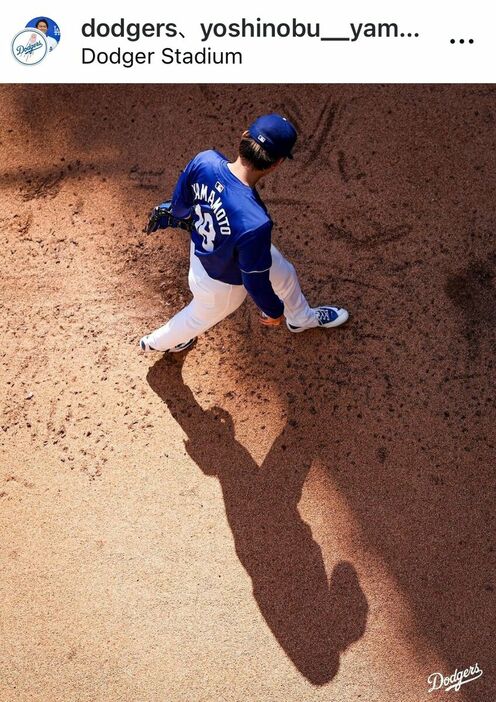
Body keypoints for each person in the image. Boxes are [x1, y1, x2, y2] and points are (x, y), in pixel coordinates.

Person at [140, 114, 348, 353]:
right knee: (196, 318)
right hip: (220, 285)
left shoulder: (204, 161)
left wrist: (189, 216)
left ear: (244, 136)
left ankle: (300, 318)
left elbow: (178, 208)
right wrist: (273, 311)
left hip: (208, 250)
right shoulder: (255, 222)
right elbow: (253, 281)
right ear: (277, 163)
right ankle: (155, 343)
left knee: (284, 272)